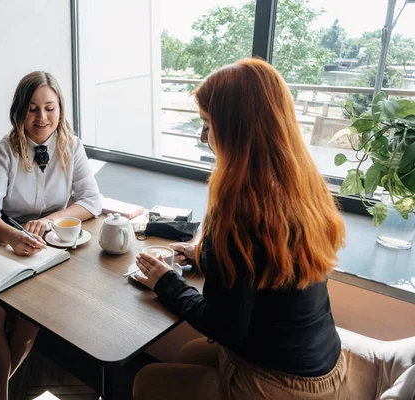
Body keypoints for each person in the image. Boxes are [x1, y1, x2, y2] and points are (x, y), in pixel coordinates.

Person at [132, 58, 348, 399]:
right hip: (325, 367)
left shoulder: (239, 210)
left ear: (236, 130)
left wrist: (167, 283)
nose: (203, 138)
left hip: (282, 383)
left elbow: (225, 327)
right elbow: (264, 272)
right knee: (189, 353)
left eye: (207, 125)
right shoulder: (302, 186)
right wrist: (205, 255)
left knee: (147, 381)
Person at [0, 71, 103, 400]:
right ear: (20, 112)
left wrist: (51, 219)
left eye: (50, 108)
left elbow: (92, 201)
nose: (42, 118)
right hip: (4, 243)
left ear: (60, 110)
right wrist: (13, 237)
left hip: (53, 250)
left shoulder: (72, 146)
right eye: (32, 109)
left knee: (30, 319)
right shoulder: (3, 149)